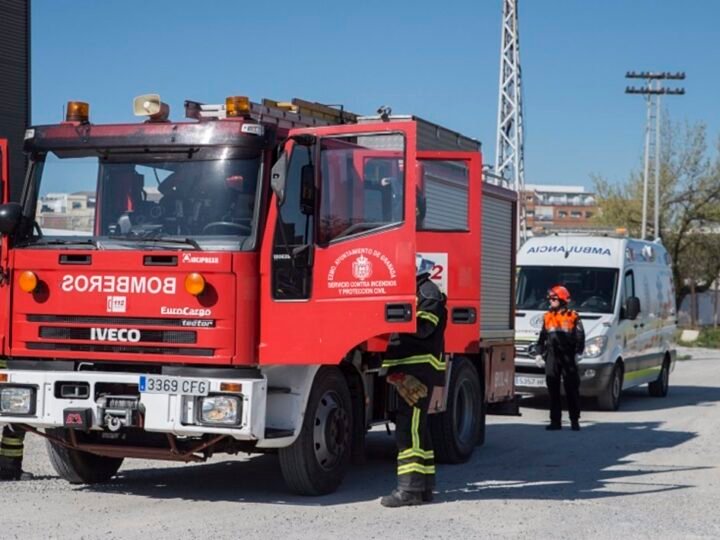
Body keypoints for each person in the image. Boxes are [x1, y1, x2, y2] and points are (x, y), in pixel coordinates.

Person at [380, 255, 447, 507]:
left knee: (409, 431)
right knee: (418, 428)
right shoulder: (422, 291)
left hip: (419, 369)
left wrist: (392, 316)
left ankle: (409, 490)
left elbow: (424, 328)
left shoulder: (428, 293)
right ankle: (425, 487)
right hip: (412, 368)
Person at [534, 285, 585, 431]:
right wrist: (539, 353)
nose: (550, 301)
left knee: (571, 389)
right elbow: (542, 337)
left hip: (568, 356)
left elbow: (580, 336)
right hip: (552, 356)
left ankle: (574, 420)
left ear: (562, 299)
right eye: (550, 298)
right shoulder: (547, 316)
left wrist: (578, 354)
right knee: (553, 389)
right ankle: (555, 421)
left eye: (554, 298)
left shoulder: (573, 316)